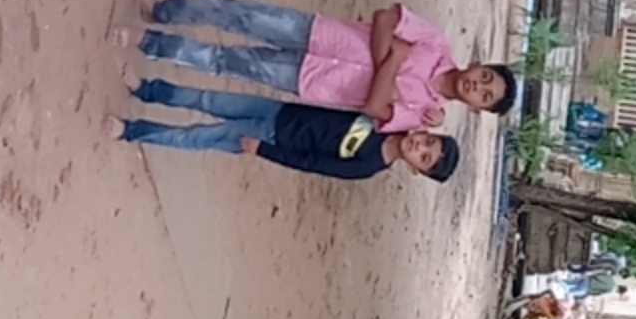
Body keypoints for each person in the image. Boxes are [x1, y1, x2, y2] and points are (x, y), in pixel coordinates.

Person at [117, 0, 515, 134]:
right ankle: (163, 10)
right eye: (485, 78)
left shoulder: (425, 115)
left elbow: (374, 109)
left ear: (476, 109)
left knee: (225, 62)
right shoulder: (436, 43)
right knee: (242, 15)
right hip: (320, 33)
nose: (477, 86)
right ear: (478, 65)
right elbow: (384, 19)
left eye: (485, 95)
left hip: (312, 81)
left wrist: (393, 59)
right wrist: (386, 72)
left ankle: (151, 44)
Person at [112, 82, 459, 182]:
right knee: (209, 98)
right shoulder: (389, 118)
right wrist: (432, 112)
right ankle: (148, 89)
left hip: (272, 139)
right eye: (428, 141)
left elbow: (311, 164)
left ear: (415, 169)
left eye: (424, 157)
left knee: (198, 136)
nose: (419, 146)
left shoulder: (367, 166)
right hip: (279, 110)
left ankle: (131, 130)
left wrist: (262, 150)